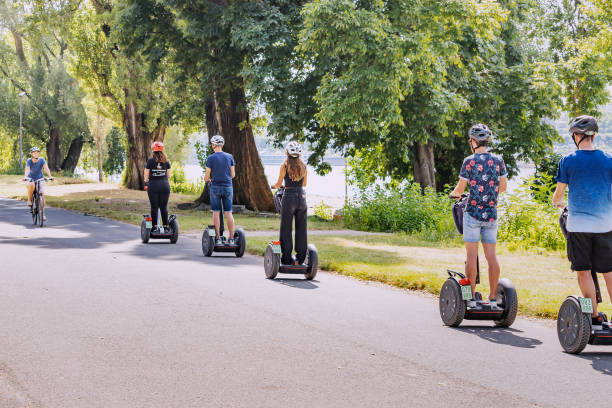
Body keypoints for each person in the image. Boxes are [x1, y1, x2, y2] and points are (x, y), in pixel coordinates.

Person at [552, 115, 612, 327]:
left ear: (576, 136)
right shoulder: (608, 161)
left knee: (584, 271)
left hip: (579, 227)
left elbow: (558, 197)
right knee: (608, 271)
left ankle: (593, 315)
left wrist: (558, 203)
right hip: (606, 225)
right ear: (594, 135)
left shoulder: (568, 161)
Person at [450, 124, 507, 305]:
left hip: (473, 215)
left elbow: (460, 189)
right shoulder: (498, 161)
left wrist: (454, 194)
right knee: (491, 256)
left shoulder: (470, 161)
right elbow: (503, 187)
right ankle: (492, 298)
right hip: (491, 215)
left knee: (471, 256)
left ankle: (470, 297)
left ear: (473, 141)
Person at [271, 141, 308, 266]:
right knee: (301, 229)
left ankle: (286, 258)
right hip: (302, 198)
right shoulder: (303, 166)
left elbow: (278, 183)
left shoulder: (285, 165)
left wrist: (275, 186)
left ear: (287, 152)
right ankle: (300, 258)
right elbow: (304, 184)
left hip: (289, 197)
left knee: (286, 228)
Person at [204, 135, 236, 245]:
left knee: (216, 212)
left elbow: (207, 177)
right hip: (228, 187)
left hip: (215, 188)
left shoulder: (210, 158)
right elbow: (233, 175)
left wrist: (208, 179)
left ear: (213, 145)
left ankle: (217, 238)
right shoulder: (230, 157)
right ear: (222, 145)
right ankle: (231, 238)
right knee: (228, 212)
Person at [144, 141, 172, 231]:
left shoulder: (150, 161)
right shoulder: (166, 161)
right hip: (165, 186)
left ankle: (155, 227)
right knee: (164, 207)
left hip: (153, 186)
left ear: (153, 150)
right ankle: (166, 227)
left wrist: (146, 181)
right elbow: (168, 176)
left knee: (154, 207)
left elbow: (146, 175)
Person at [24, 147, 53, 220]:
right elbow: (27, 170)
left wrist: (50, 176)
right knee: (31, 184)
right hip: (31, 179)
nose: (36, 153)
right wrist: (25, 177)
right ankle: (29, 200)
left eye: (37, 152)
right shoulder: (29, 161)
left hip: (40, 178)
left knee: (42, 194)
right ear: (31, 154)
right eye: (34, 152)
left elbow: (46, 168)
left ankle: (43, 214)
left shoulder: (42, 160)